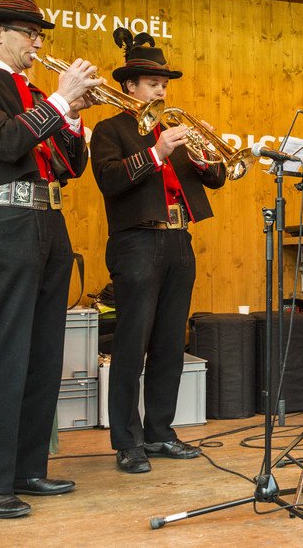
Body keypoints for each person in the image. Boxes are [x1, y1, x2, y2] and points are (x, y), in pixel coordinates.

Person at [0, 0, 101, 519]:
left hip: (47, 221)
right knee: (8, 354)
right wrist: (58, 98)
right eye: (29, 33)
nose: (36, 42)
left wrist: (73, 112)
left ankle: (28, 468)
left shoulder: (29, 89)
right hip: (2, 221)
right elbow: (7, 143)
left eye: (37, 33)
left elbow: (70, 166)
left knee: (43, 354)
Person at [91, 29, 226, 473]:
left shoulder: (172, 128)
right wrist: (155, 152)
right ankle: (126, 441)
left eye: (165, 84)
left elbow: (217, 179)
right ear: (130, 87)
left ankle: (160, 432)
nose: (162, 90)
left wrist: (207, 160)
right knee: (132, 342)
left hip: (178, 239)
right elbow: (110, 180)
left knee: (171, 341)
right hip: (136, 240)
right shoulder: (110, 130)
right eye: (153, 83)